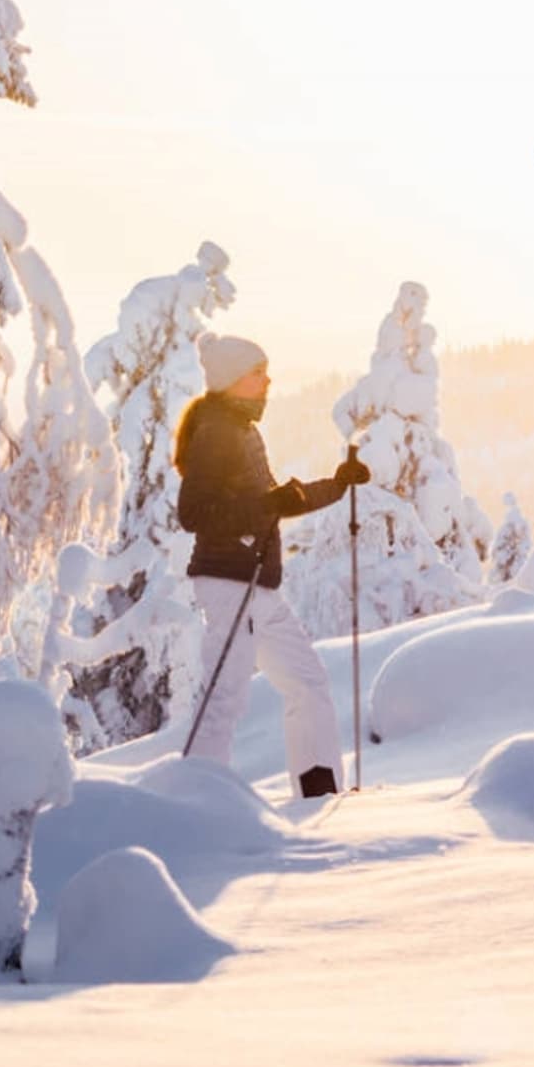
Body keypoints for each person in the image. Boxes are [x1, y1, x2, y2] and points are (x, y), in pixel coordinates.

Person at [174, 334, 370, 798]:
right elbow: (194, 514)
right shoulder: (217, 431)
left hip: (257, 584)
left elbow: (276, 501)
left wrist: (337, 485)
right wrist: (266, 505)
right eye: (257, 372)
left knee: (307, 682)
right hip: (228, 582)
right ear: (232, 381)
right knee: (226, 696)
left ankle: (317, 790)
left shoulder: (240, 429)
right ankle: (195, 803)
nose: (268, 380)